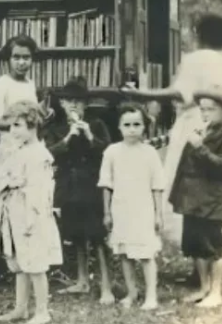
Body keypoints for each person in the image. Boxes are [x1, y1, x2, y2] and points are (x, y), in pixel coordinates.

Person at [122, 14, 222, 247]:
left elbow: (180, 93)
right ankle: (218, 244)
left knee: (194, 185)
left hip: (199, 122)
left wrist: (140, 94)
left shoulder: (197, 59)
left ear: (200, 35)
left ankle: (200, 250)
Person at [0, 100, 62, 324]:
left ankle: (42, 310)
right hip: (14, 210)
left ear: (33, 125)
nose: (13, 131)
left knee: (36, 264)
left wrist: (31, 216)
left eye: (18, 125)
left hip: (32, 214)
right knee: (20, 263)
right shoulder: (17, 151)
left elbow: (41, 190)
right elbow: (2, 176)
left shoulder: (39, 155)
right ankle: (21, 308)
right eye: (11, 126)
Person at [41, 76, 114, 303]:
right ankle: (82, 281)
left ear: (85, 104)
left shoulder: (97, 124)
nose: (73, 105)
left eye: (79, 101)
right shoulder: (55, 128)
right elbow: (48, 155)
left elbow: (109, 153)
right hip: (68, 187)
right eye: (68, 101)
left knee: (98, 236)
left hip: (92, 185)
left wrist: (89, 136)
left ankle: (106, 287)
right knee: (77, 235)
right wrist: (68, 137)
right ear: (61, 104)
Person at [169, 85, 222, 308]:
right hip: (193, 200)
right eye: (202, 109)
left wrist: (200, 147)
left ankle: (216, 291)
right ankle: (203, 287)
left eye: (210, 109)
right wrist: (179, 194)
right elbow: (184, 166)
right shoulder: (203, 131)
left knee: (212, 246)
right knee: (196, 244)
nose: (205, 114)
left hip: (212, 202)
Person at [98, 102, 164, 310]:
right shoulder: (112, 152)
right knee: (125, 252)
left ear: (144, 126)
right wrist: (107, 212)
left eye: (137, 124)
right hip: (121, 208)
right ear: (119, 127)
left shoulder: (150, 153)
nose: (132, 129)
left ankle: (151, 296)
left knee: (145, 253)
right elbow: (106, 184)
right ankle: (132, 291)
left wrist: (158, 214)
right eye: (127, 125)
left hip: (143, 209)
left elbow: (157, 186)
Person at [0, 34, 39, 209]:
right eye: (16, 57)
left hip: (31, 148)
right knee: (7, 200)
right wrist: (19, 125)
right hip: (10, 149)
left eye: (26, 57)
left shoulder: (31, 84)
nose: (21, 62)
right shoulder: (2, 84)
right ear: (8, 59)